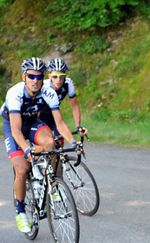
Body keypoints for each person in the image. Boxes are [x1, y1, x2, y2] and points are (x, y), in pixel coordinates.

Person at [1, 57, 76, 233]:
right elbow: (16, 130)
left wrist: (73, 142)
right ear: (24, 77)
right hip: (14, 127)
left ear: (43, 78)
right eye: (31, 76)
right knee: (22, 168)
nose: (35, 81)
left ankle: (52, 184)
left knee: (51, 143)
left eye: (39, 77)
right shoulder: (15, 93)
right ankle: (20, 212)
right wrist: (26, 149)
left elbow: (60, 123)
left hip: (33, 122)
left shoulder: (48, 92)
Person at [40, 58, 87, 140]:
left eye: (61, 77)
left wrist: (78, 126)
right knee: (46, 143)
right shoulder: (43, 86)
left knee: (60, 141)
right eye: (55, 77)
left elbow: (75, 105)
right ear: (49, 76)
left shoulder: (68, 83)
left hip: (54, 116)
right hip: (39, 117)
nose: (58, 80)